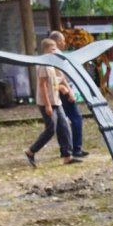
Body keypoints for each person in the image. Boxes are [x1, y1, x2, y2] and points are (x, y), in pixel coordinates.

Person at [25, 38, 73, 167]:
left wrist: (62, 88)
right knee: (51, 129)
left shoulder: (52, 64)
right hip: (46, 102)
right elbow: (43, 86)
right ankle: (31, 151)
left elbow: (55, 81)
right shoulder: (44, 64)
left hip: (56, 101)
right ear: (46, 49)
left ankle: (67, 155)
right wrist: (47, 105)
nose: (55, 51)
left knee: (64, 126)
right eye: (53, 49)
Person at [49, 30, 88, 158]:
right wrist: (69, 92)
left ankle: (65, 150)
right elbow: (61, 77)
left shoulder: (50, 55)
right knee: (76, 117)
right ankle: (76, 148)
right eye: (63, 41)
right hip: (62, 90)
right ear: (57, 41)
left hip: (57, 90)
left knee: (61, 122)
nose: (64, 43)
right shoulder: (56, 56)